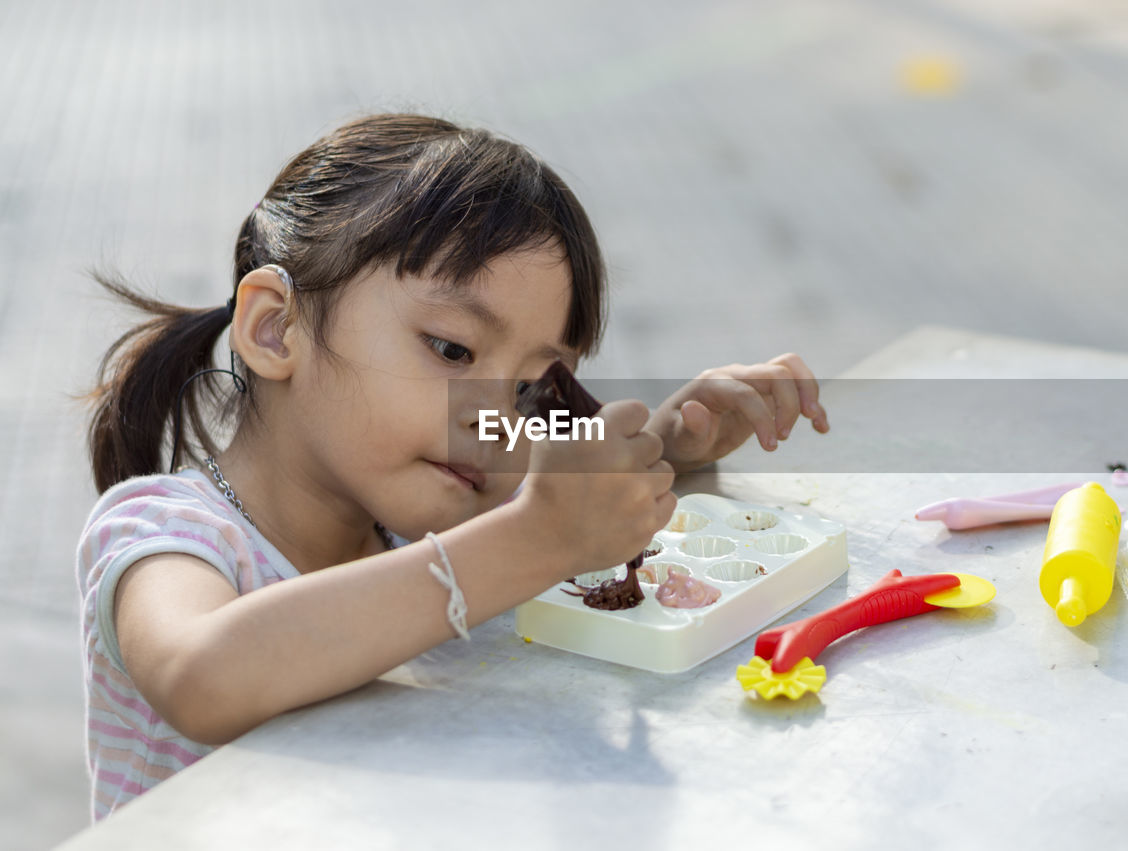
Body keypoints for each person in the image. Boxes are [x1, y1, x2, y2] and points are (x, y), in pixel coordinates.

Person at [77, 113, 830, 820]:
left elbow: (545, 507)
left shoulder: (424, 515)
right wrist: (538, 538)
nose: (492, 420)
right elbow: (202, 675)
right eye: (451, 349)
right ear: (276, 328)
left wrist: (666, 449)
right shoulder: (169, 532)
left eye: (531, 387)